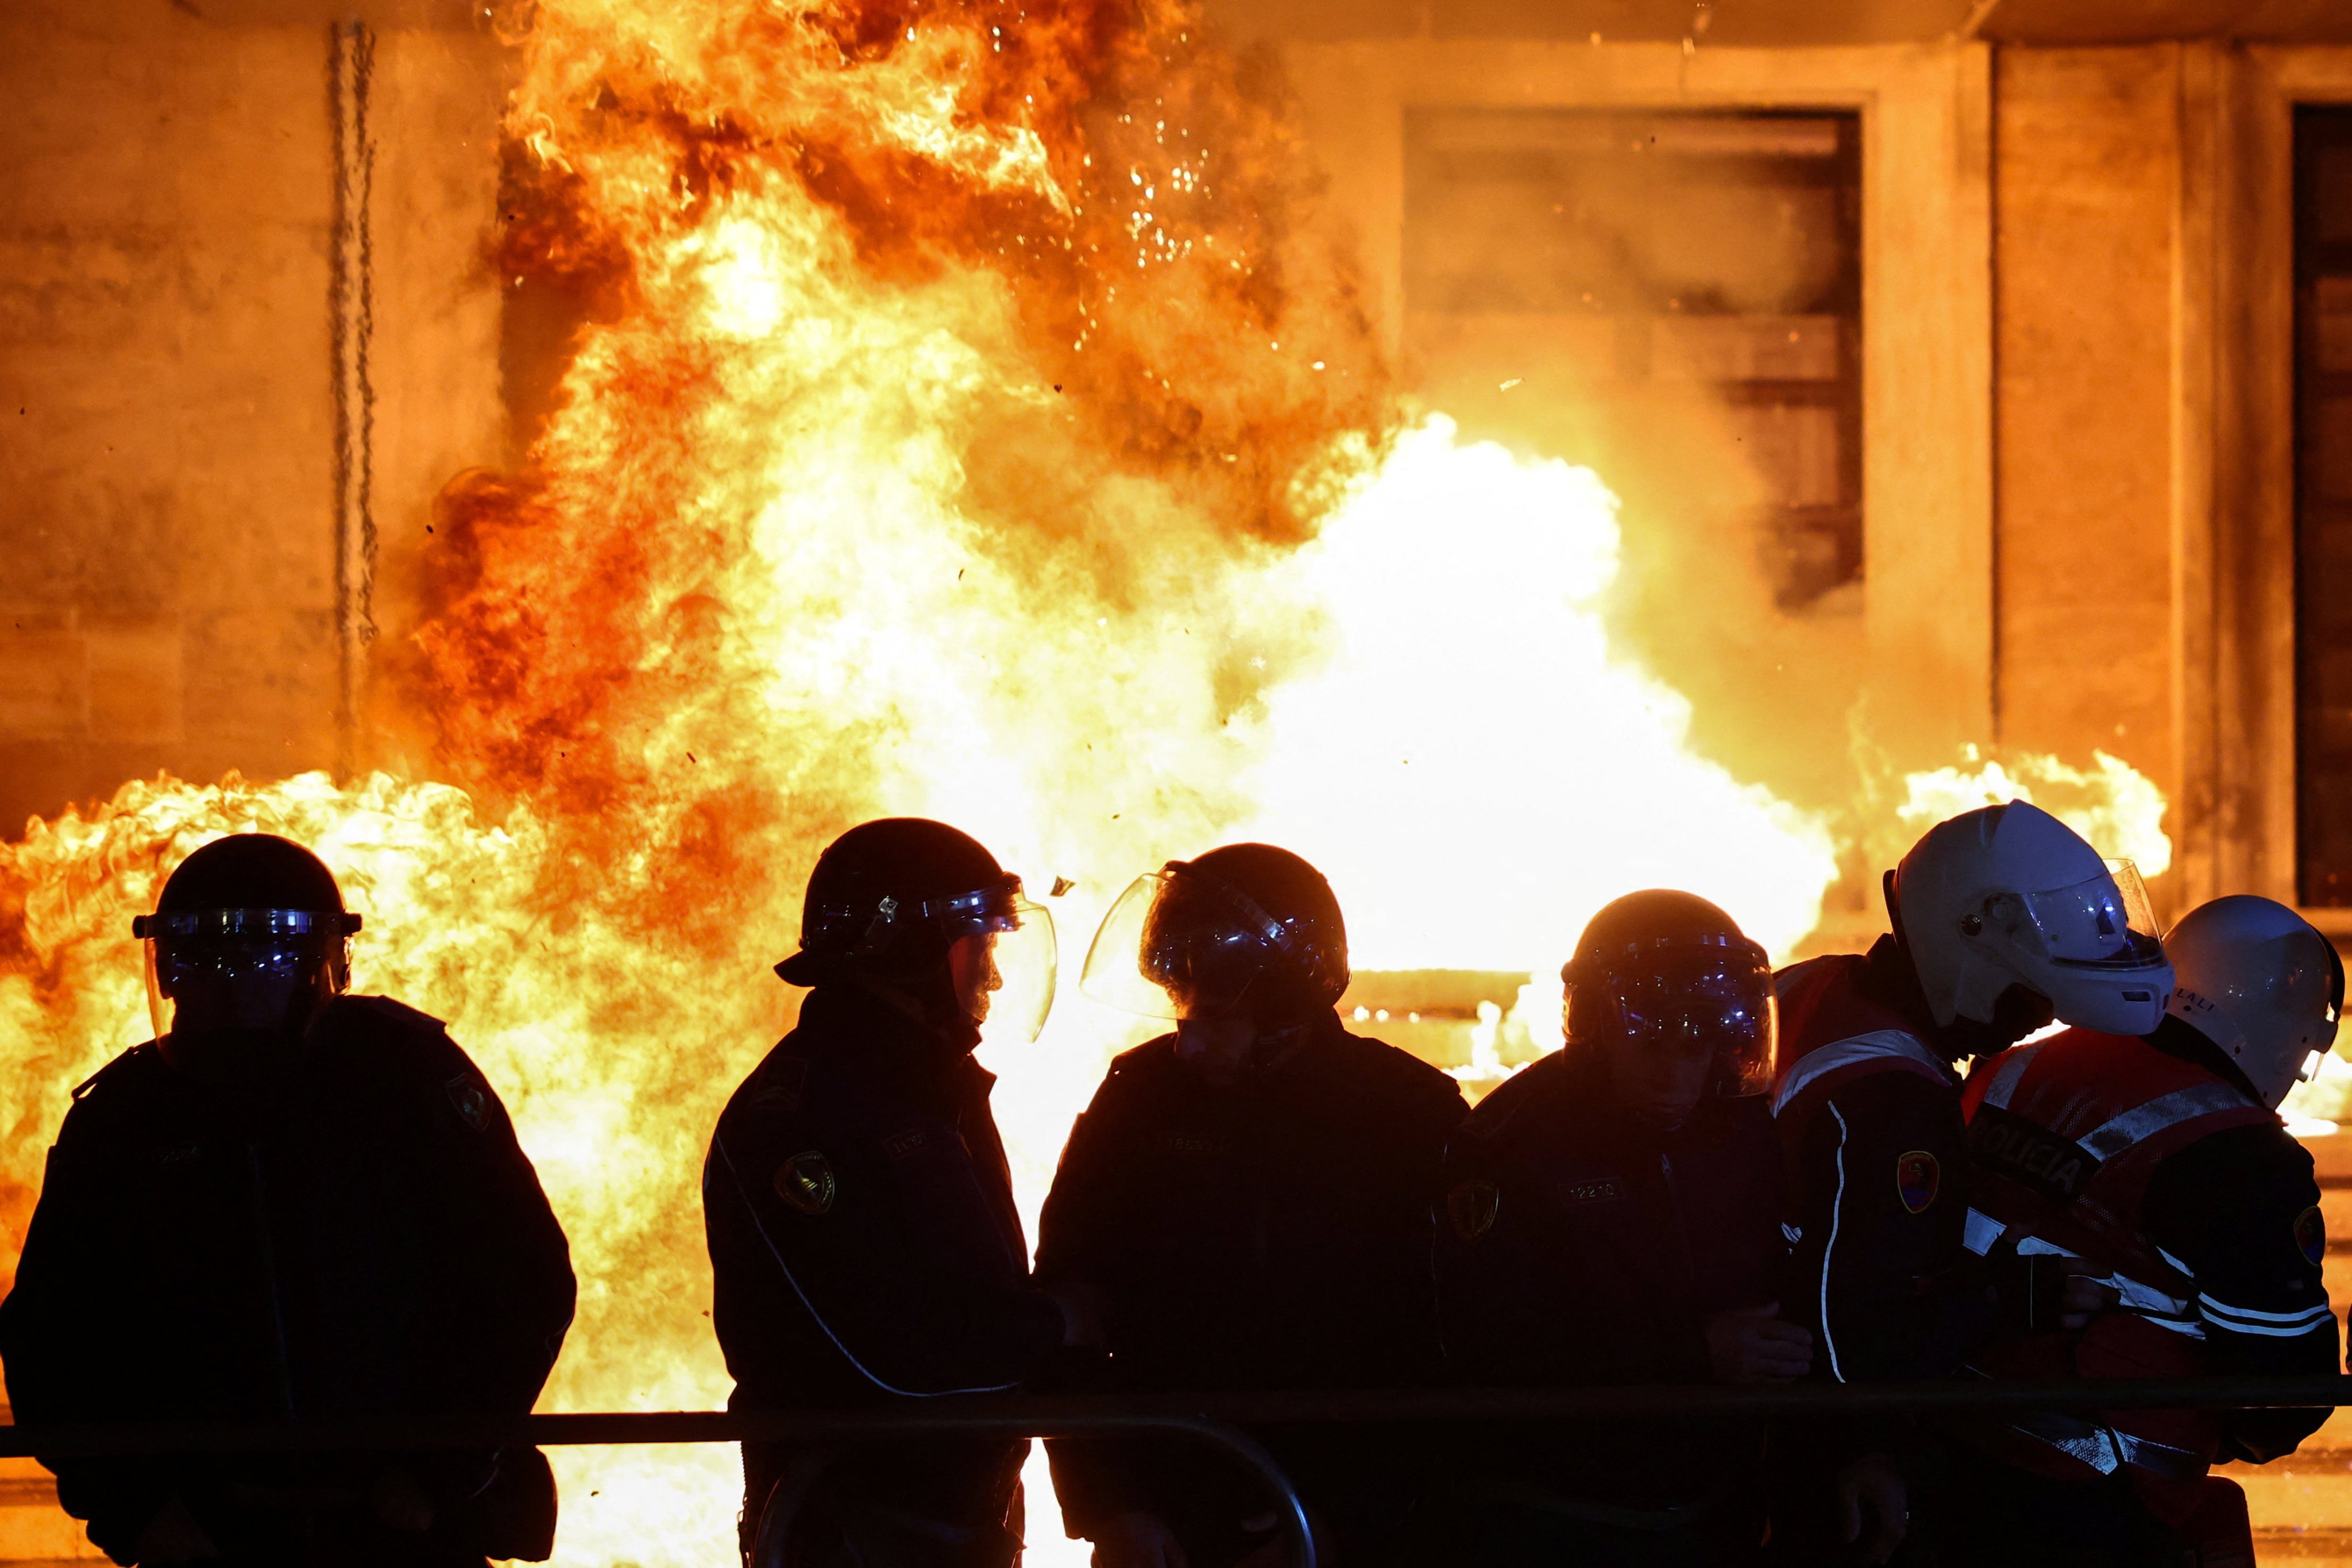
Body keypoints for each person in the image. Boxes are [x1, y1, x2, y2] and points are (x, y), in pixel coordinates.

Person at [0, 833, 576, 1568]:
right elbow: (54, 1337)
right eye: (202, 960)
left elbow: (523, 1280)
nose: (232, 985)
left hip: (406, 1527)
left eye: (264, 958)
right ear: (167, 972)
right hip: (210, 1532)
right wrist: (135, 1507)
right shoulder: (125, 1118)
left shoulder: (407, 1084)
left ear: (320, 968)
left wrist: (439, 1469)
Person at [1038, 844, 1468, 1568]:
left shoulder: (1409, 1115)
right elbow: (1068, 1309)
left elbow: (1456, 1342)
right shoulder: (1140, 1102)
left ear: (1283, 1007)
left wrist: (1353, 1523)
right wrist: (1110, 1510)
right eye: (1181, 1001)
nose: (1188, 1039)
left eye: (1215, 1009)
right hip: (1169, 1523)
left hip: (1359, 1521)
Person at [1766, 802, 2173, 1554]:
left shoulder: (1816, 987)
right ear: (1969, 951)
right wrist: (2008, 1296)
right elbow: (1861, 1338)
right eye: (2031, 996)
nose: (2033, 1022)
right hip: (1801, 1455)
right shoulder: (1893, 1101)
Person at [704, 818, 1088, 1568]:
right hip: (851, 1525)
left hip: (952, 1510)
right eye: (978, 945)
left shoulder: (922, 1094)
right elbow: (884, 1347)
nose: (995, 973)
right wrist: (1054, 1325)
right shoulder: (801, 1118)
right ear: (910, 950)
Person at [1940, 894, 2343, 1566]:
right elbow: (2281, 1398)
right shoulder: (2242, 1154)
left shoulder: (2021, 1063)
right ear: (2288, 1030)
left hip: (1940, 1443)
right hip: (2093, 1499)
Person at [1430, 890, 1817, 1566]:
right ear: (1595, 1026)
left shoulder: (1747, 1131)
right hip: (1555, 1511)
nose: (1675, 1070)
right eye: (1652, 1038)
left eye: (1698, 1041)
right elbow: (1483, 1344)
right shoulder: (1510, 1144)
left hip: (1716, 1503)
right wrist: (1694, 1354)